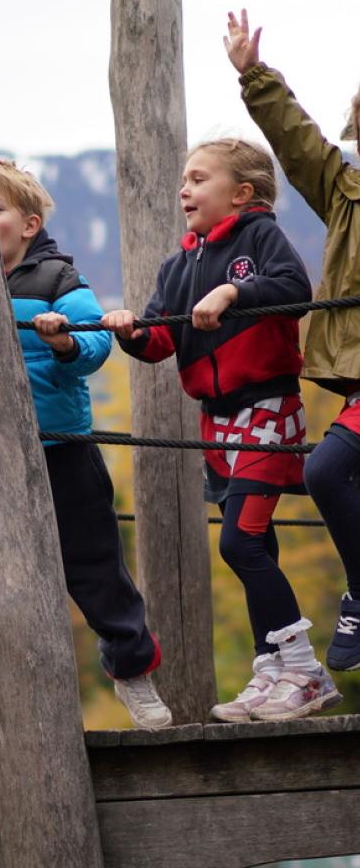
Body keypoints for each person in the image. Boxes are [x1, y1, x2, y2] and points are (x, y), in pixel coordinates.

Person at [0, 159, 172, 737]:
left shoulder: (57, 280)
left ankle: (132, 671)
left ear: (28, 224)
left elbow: (97, 343)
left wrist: (65, 343)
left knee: (94, 561)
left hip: (61, 445)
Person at [103, 138, 342, 722]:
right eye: (184, 179)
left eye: (198, 178)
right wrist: (130, 331)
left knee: (237, 542)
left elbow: (294, 290)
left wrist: (235, 290)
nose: (184, 188)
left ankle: (305, 672)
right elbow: (161, 340)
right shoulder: (178, 264)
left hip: (266, 406)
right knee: (256, 542)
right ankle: (271, 670)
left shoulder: (259, 237)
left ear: (241, 194)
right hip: (217, 421)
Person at [225, 9, 360, 675]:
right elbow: (299, 142)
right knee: (327, 470)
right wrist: (253, 74)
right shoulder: (346, 194)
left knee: (331, 470)